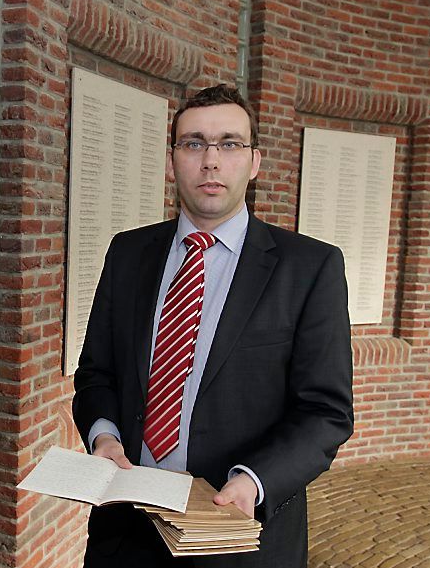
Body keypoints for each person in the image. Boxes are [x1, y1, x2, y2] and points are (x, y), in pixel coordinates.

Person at [72, 84, 354, 567]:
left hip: (240, 537)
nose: (211, 160)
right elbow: (97, 373)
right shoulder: (127, 254)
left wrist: (253, 480)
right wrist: (104, 438)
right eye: (194, 143)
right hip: (127, 532)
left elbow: (325, 411)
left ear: (254, 162)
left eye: (229, 143)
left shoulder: (309, 268)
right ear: (172, 160)